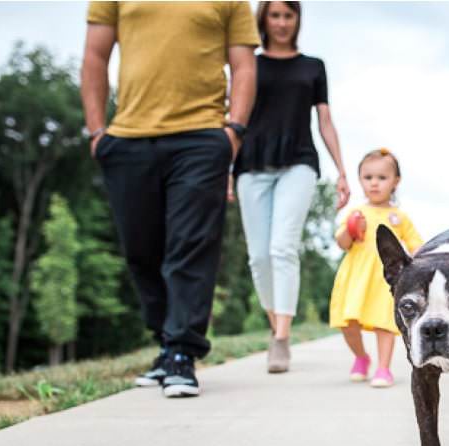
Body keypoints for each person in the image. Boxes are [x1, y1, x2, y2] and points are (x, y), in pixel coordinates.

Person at [81, 2, 259, 397]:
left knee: (190, 245)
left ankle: (182, 351)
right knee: (141, 249)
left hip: (201, 135)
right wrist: (96, 131)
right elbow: (95, 54)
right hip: (127, 137)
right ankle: (165, 341)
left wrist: (234, 131)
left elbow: (244, 65)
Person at [232, 1, 350, 374]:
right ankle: (275, 323)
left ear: (297, 20)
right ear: (263, 19)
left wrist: (342, 171)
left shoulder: (312, 67)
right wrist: (223, 166)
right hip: (251, 163)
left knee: (283, 247)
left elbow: (325, 121)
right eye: (275, 15)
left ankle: (281, 337)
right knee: (259, 257)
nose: (282, 23)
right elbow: (235, 115)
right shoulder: (247, 63)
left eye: (288, 15)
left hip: (298, 163)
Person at [329, 149, 423, 388]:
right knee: (347, 323)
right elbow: (341, 243)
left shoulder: (399, 217)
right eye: (368, 177)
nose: (374, 183)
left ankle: (383, 368)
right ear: (360, 179)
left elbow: (417, 246)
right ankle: (361, 357)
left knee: (384, 323)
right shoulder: (355, 212)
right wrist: (351, 229)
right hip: (356, 277)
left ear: (395, 182)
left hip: (384, 280)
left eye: (382, 178)